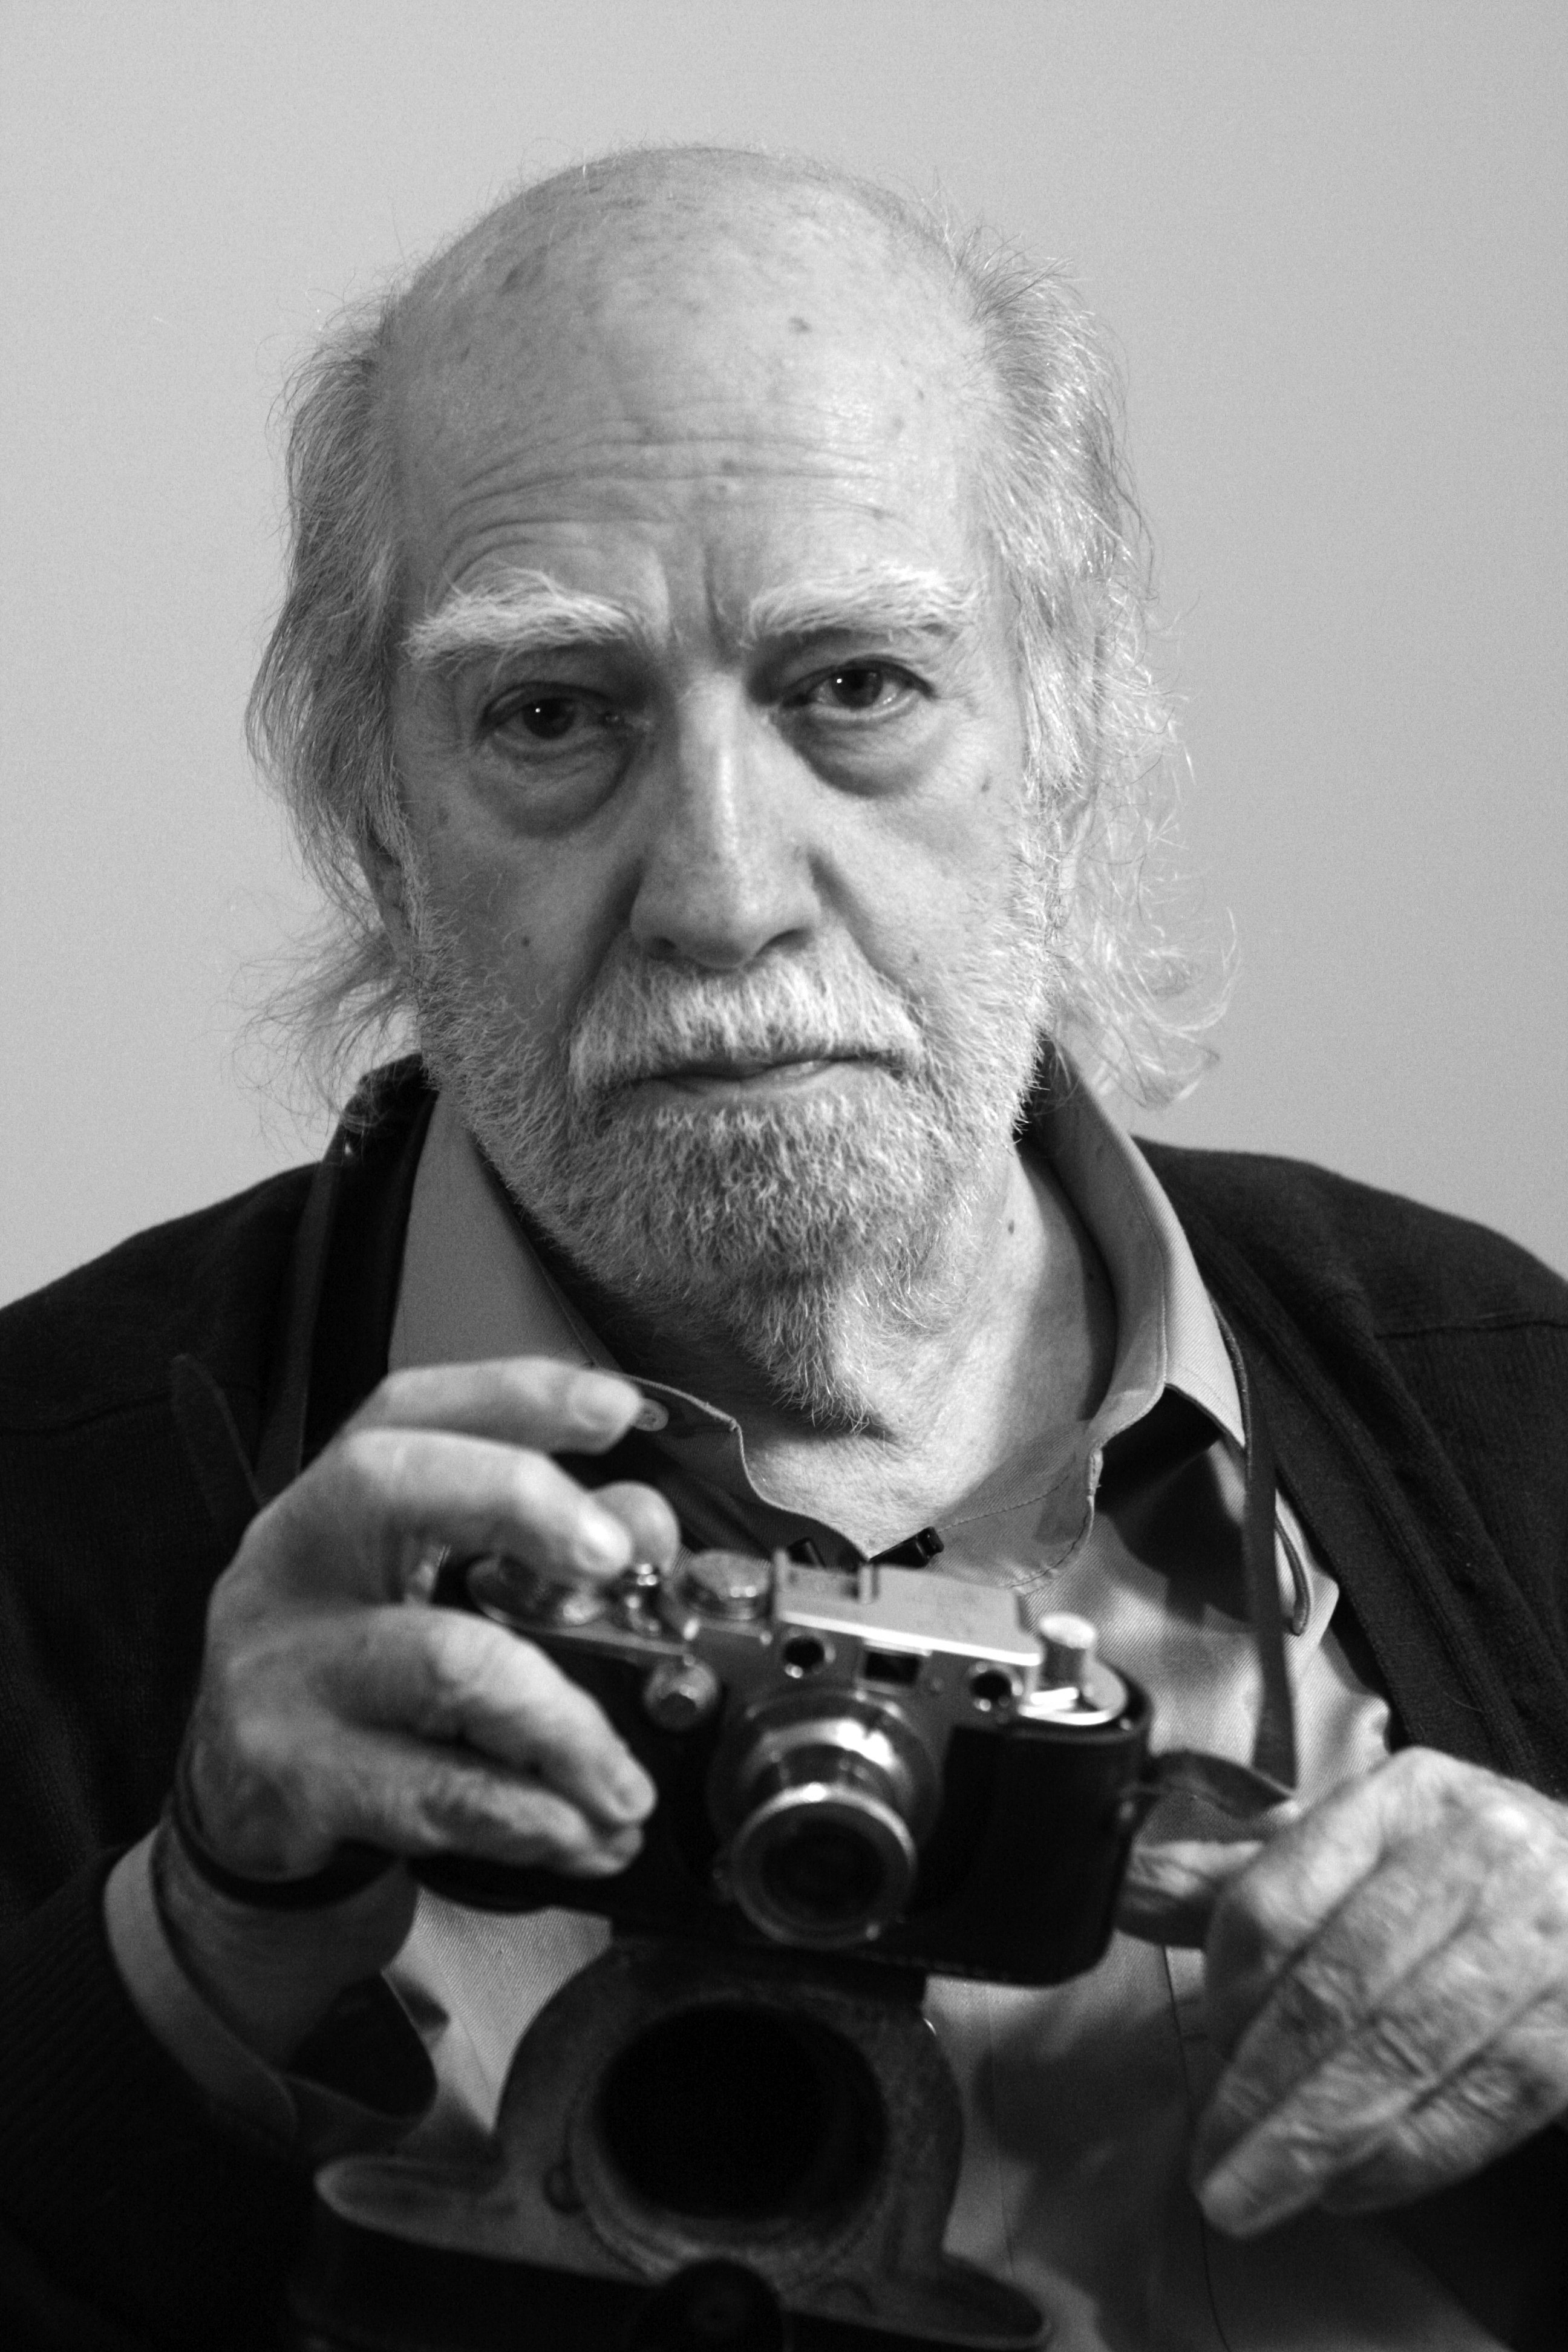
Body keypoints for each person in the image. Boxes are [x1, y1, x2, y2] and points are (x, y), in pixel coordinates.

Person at [2, 144, 1566, 2352]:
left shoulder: (1517, 1402)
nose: (722, 895)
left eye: (853, 686)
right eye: (553, 714)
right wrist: (192, 1942)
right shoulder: (33, 1520)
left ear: (1070, 729)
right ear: (375, 810)